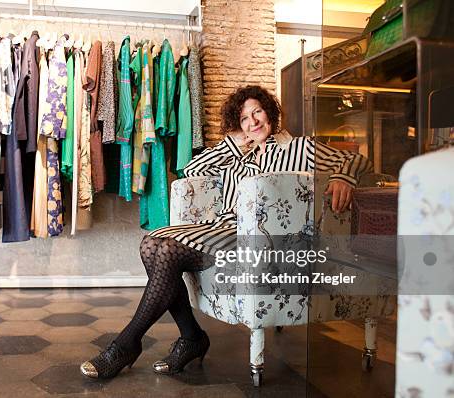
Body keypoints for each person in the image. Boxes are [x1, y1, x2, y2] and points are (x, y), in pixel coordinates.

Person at [80, 85, 371, 379]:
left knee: (165, 250)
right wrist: (231, 146)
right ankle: (189, 337)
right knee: (151, 245)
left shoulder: (299, 148)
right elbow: (192, 169)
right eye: (244, 118)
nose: (252, 122)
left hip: (255, 237)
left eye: (257, 112)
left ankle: (129, 344)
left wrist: (342, 177)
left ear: (270, 112)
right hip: (220, 228)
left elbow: (356, 159)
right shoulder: (238, 155)